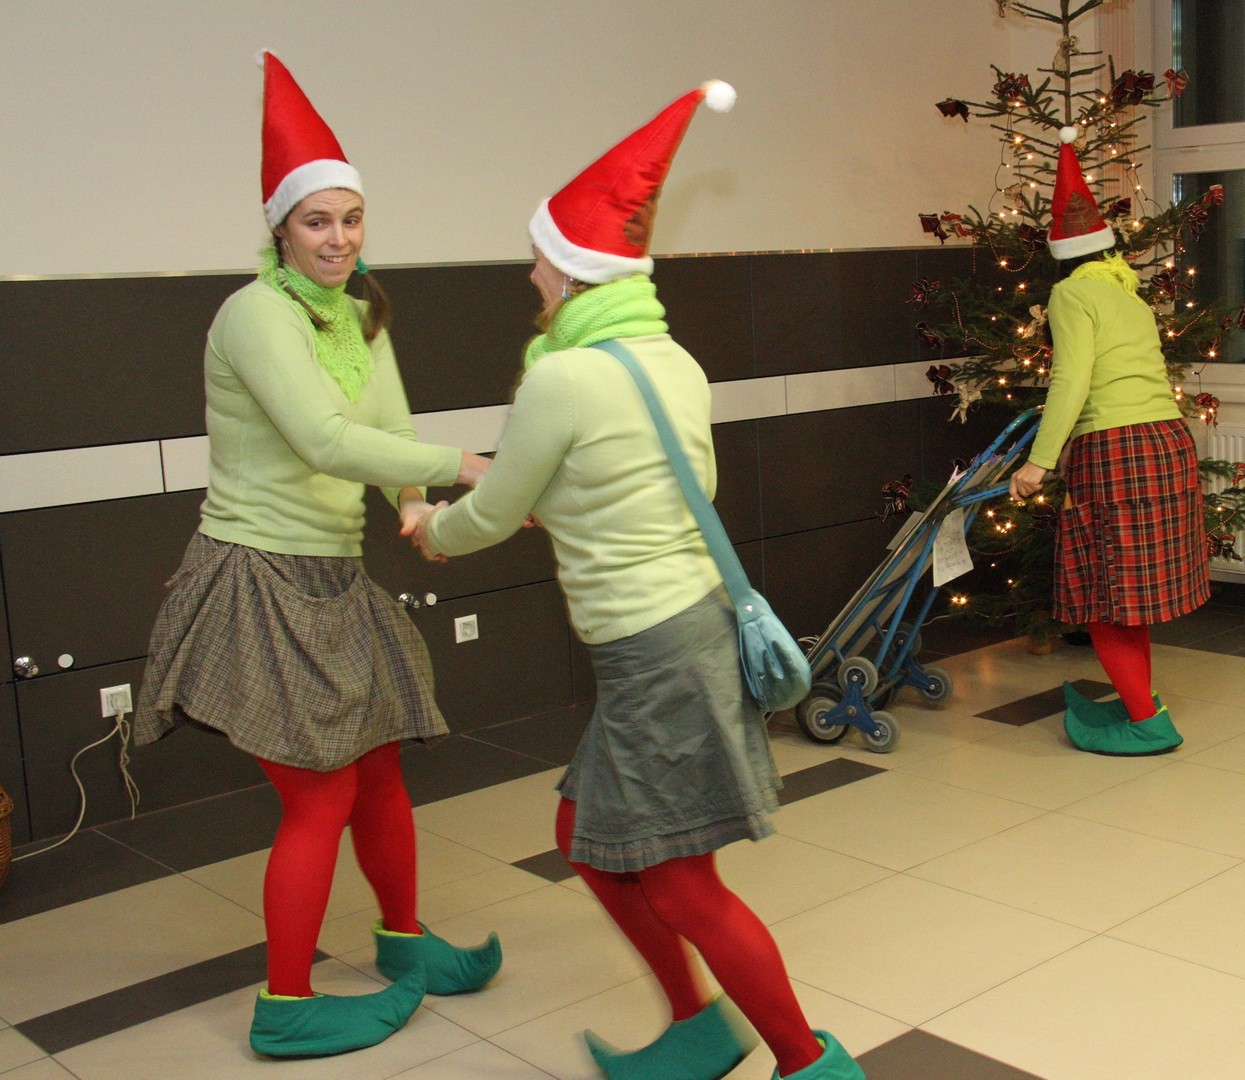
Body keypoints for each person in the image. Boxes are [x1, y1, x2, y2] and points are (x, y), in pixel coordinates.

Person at [407, 83, 864, 1080]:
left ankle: (809, 1064)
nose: (529, 271)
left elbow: (493, 511)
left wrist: (430, 529)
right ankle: (697, 1027)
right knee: (585, 836)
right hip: (687, 627)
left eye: (538, 254)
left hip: (654, 651)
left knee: (685, 885)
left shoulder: (563, 376)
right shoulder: (672, 359)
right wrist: (569, 507)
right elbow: (666, 490)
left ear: (572, 270)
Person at [131, 51, 500, 1058]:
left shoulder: (361, 310)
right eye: (316, 222)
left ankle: (403, 940)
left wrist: (415, 507)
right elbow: (325, 441)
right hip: (258, 574)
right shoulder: (254, 315)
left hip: (334, 571)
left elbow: (385, 425)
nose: (338, 239)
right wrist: (465, 466)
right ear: (280, 230)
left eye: (351, 219)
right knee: (320, 793)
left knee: (377, 770)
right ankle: (285, 1007)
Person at [1006, 126, 1209, 756]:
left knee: (1101, 594)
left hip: (1117, 452)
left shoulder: (1070, 294)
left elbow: (1071, 379)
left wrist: (1038, 464)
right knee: (1131, 594)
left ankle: (1147, 721)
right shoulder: (1129, 294)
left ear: (1060, 252)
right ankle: (1140, 701)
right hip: (1166, 443)